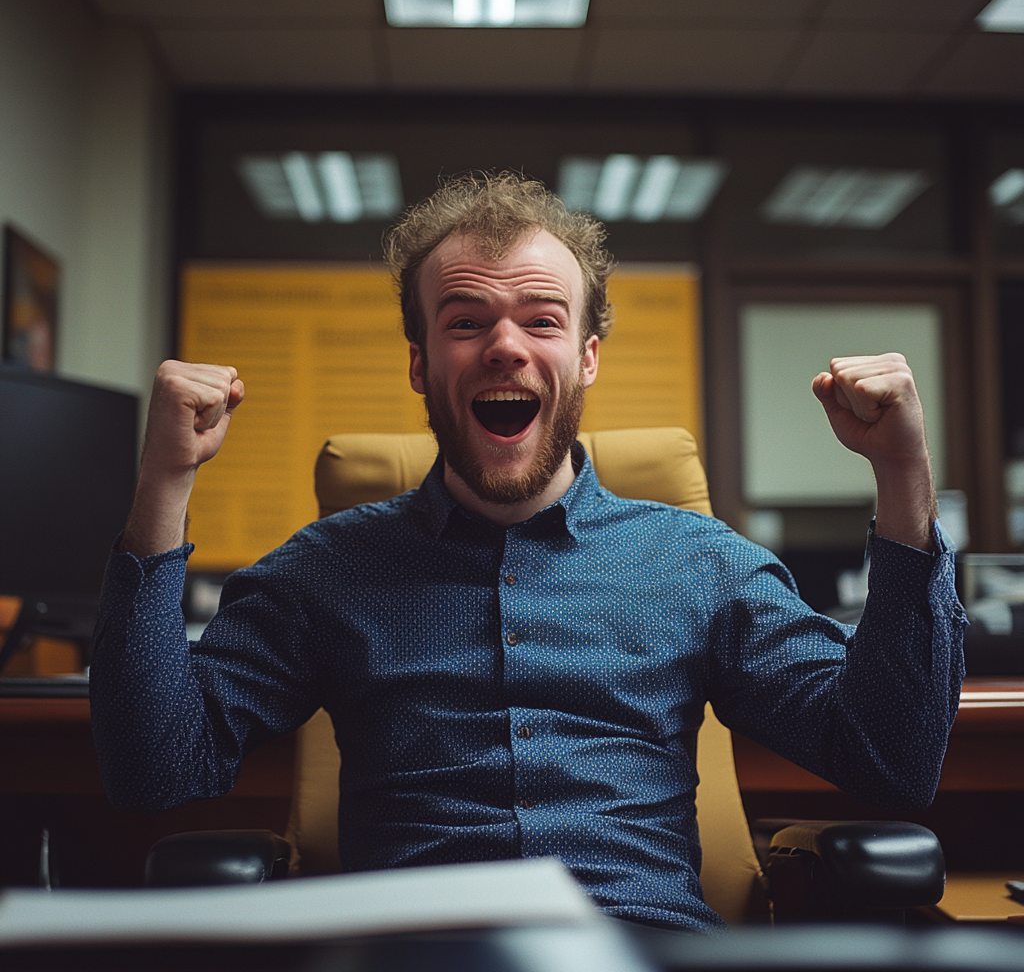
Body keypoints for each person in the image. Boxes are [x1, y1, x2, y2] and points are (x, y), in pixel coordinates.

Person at [91, 172, 965, 933]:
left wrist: (902, 475)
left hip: (639, 949)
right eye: (466, 321)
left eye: (541, 320)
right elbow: (153, 771)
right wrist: (165, 481)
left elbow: (889, 758)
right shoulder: (326, 570)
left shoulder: (701, 566)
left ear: (585, 359)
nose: (505, 345)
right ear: (420, 363)